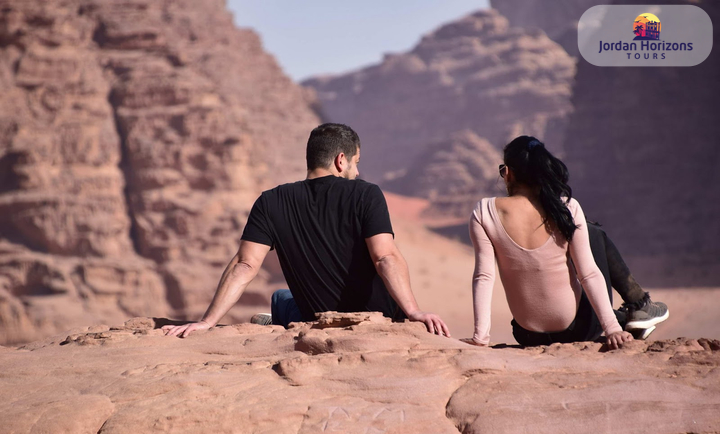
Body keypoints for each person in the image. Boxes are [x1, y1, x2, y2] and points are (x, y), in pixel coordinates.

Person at [163, 123, 450, 338]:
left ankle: (276, 316)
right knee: (281, 298)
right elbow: (385, 257)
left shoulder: (271, 201)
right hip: (378, 315)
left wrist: (206, 322)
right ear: (341, 159)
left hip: (316, 317)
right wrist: (414, 311)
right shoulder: (366, 194)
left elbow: (245, 263)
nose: (357, 172)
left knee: (280, 297)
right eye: (356, 162)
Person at [462, 136, 668, 350]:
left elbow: (484, 276)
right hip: (579, 330)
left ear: (508, 173)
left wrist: (480, 337)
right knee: (593, 232)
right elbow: (588, 274)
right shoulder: (567, 208)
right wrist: (612, 329)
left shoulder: (483, 211)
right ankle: (638, 308)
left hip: (526, 334)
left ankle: (629, 314)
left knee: (584, 234)